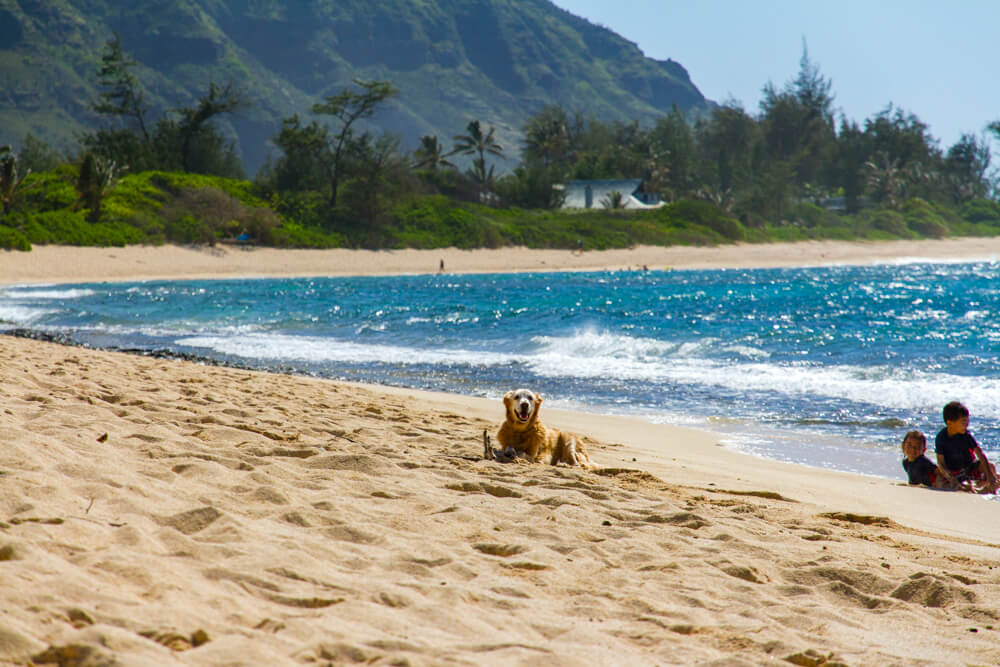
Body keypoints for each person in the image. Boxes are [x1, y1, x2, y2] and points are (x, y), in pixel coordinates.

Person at [934, 401, 999, 493]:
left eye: (967, 421)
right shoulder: (941, 437)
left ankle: (988, 487)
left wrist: (990, 477)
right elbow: (941, 463)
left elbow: (980, 455)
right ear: (949, 422)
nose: (967, 425)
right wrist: (951, 478)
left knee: (990, 467)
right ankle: (970, 487)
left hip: (969, 468)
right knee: (939, 479)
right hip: (952, 471)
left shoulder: (966, 435)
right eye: (963, 422)